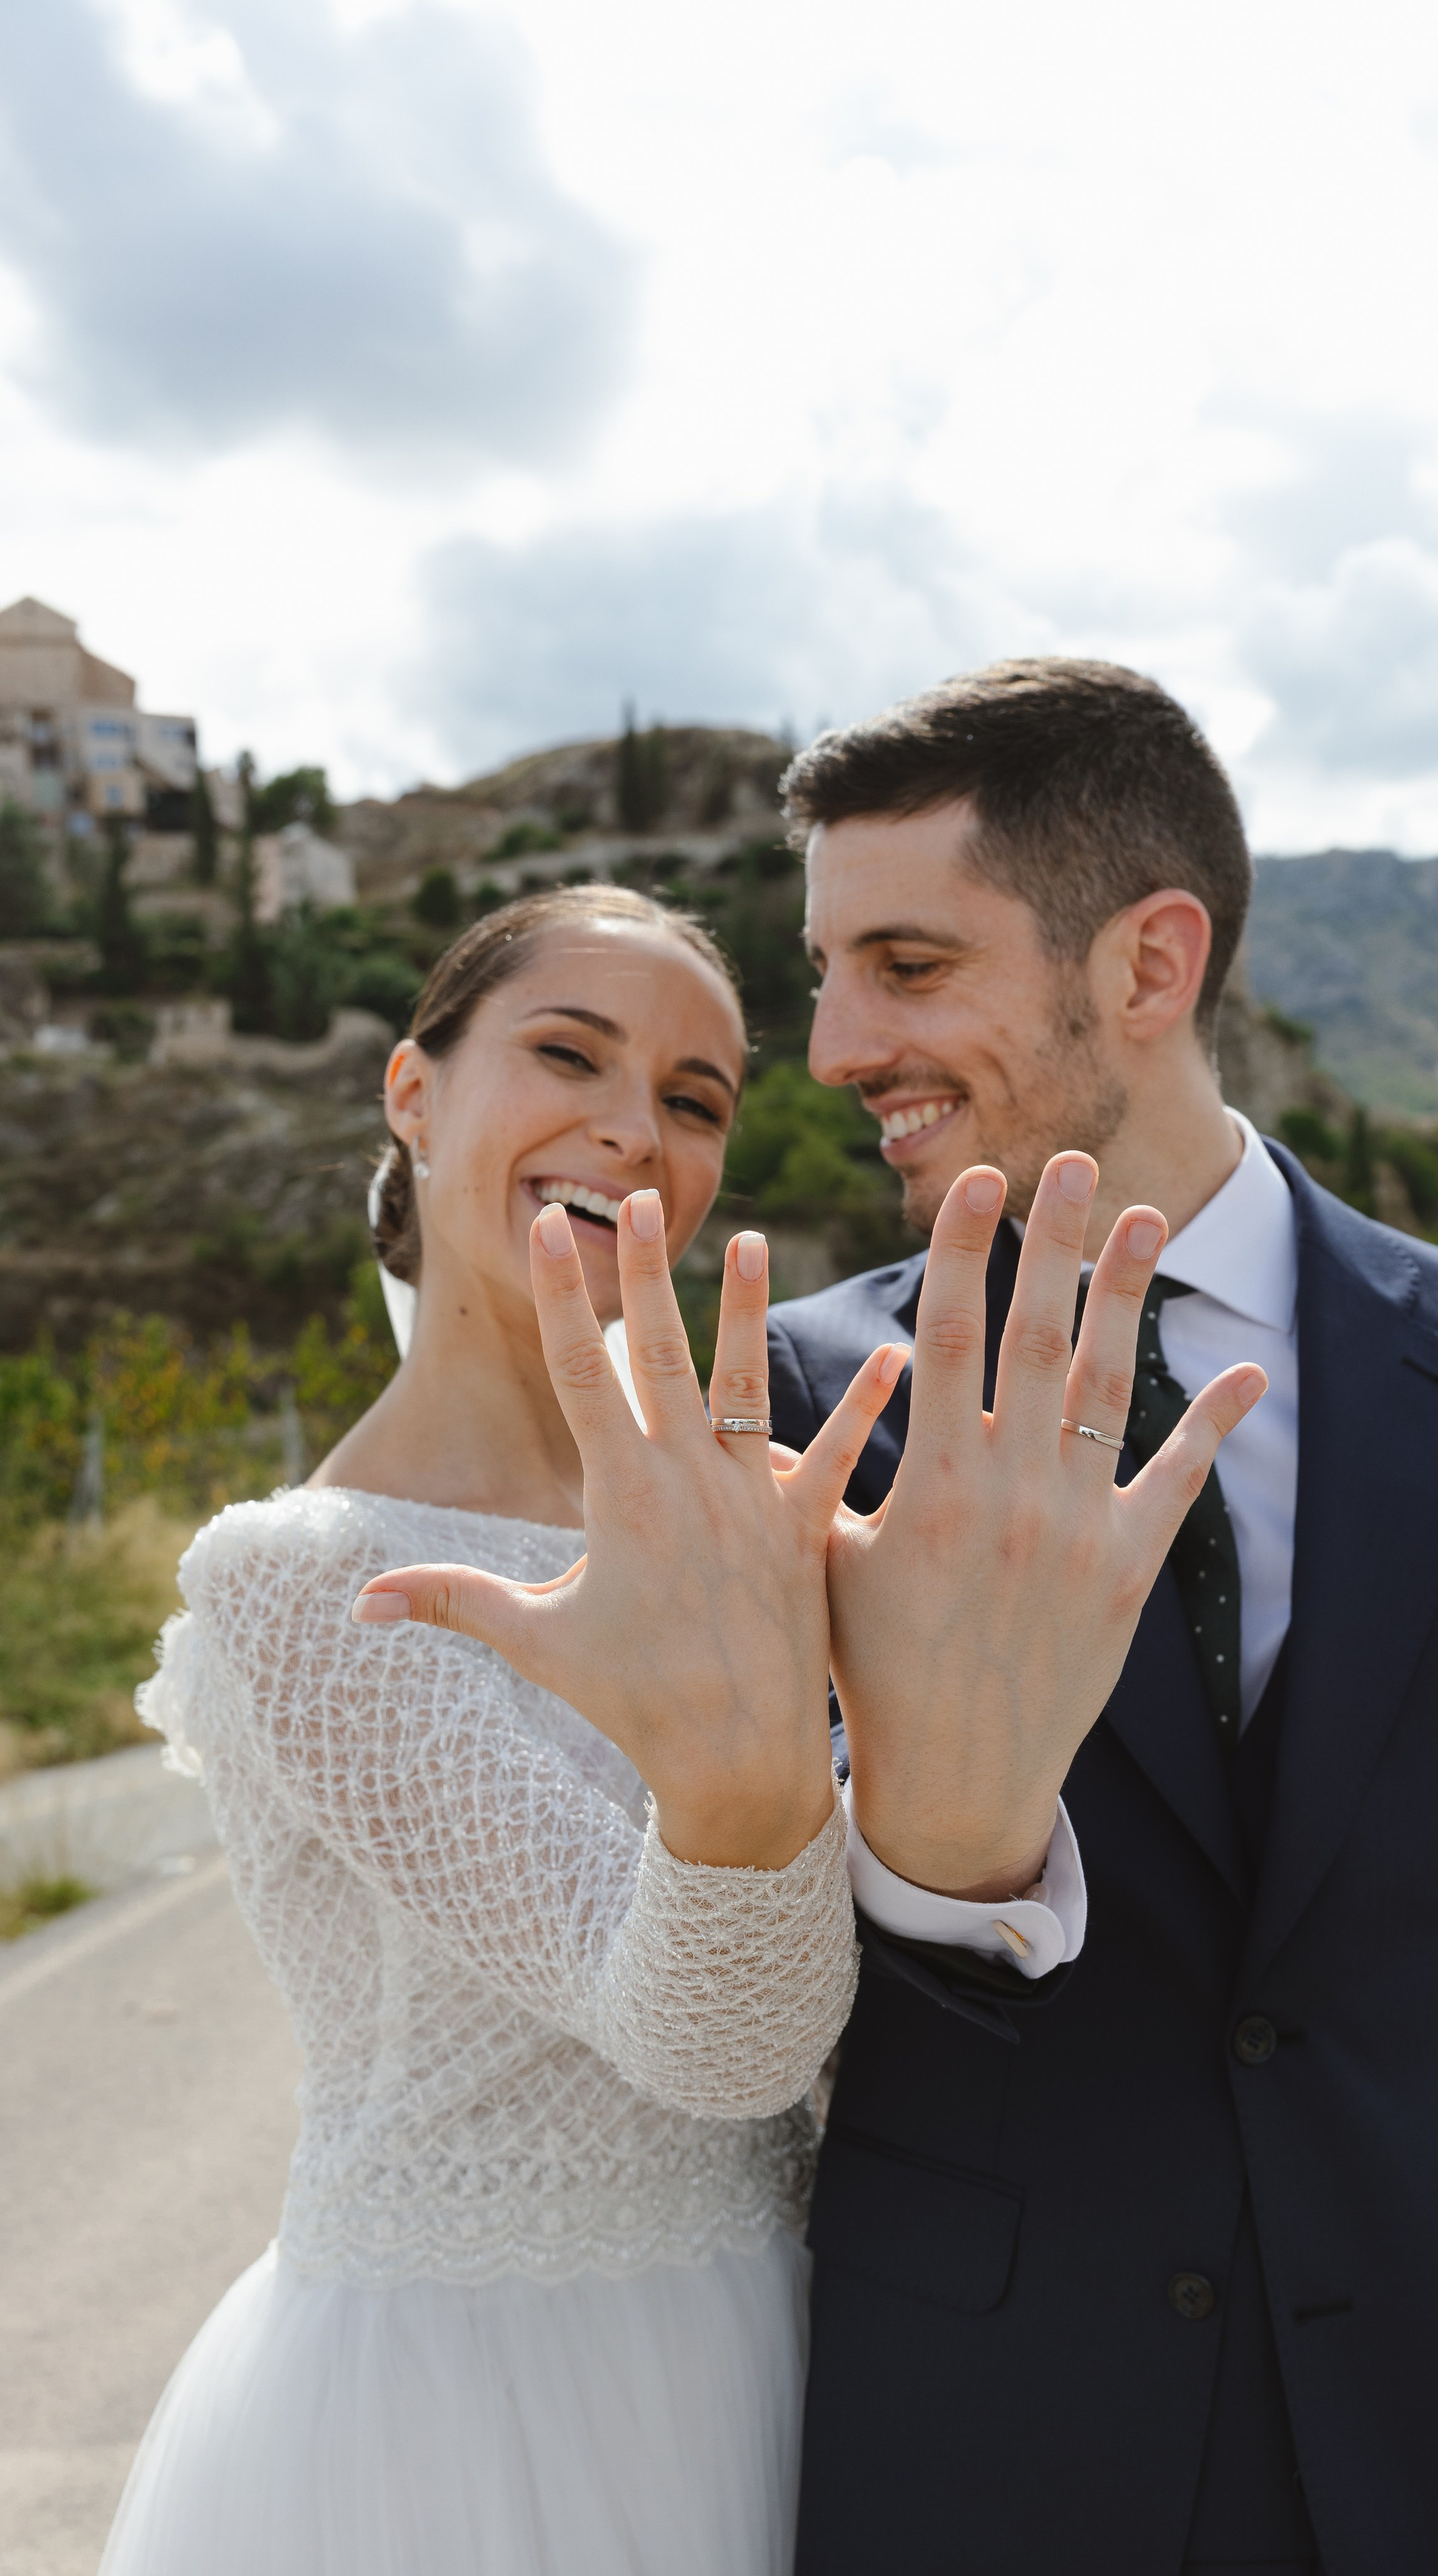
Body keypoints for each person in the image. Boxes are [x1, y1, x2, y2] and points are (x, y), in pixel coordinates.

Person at [102, 880, 1262, 2576]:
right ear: (414, 1095)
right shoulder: (305, 1584)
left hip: (806, 2346)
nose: (631, 1129)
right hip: (476, 2419)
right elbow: (719, 2043)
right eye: (566, 1052)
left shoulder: (748, 1506)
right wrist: (776, 1761)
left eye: (695, 1098)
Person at [759, 661, 1438, 2576]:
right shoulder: (805, 1404)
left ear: (1150, 962)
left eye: (910, 965)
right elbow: (757, 1979)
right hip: (985, 2464)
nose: (837, 1045)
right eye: (822, 972)